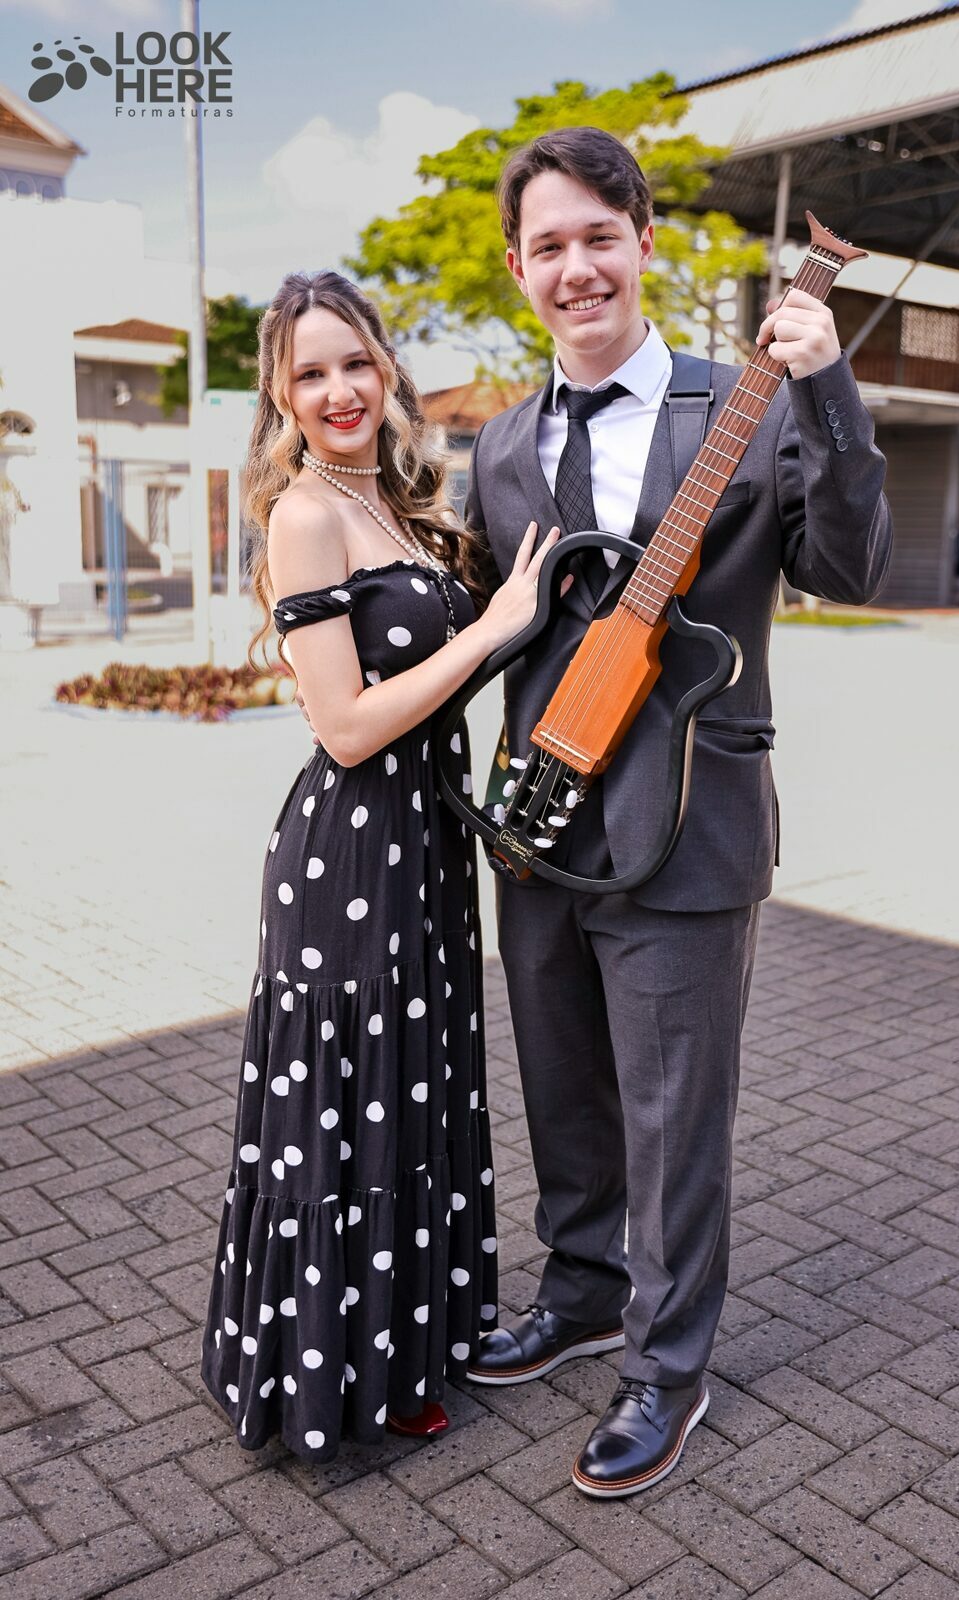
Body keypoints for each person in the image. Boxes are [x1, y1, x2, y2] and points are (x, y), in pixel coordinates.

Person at [463, 128, 893, 1497]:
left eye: (599, 236)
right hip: (540, 824)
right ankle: (583, 1289)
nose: (576, 268)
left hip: (689, 819)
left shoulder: (749, 402)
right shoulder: (500, 444)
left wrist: (829, 391)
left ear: (643, 244)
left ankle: (666, 1364)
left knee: (671, 1112)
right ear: (518, 268)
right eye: (547, 246)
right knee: (562, 1088)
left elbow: (849, 566)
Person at [200, 270, 559, 1461]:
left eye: (354, 361)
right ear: (280, 394)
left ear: (387, 366)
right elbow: (345, 726)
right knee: (348, 1111)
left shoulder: (394, 502)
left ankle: (404, 1348)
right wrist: (490, 628)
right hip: (349, 850)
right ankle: (328, 1379)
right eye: (309, 373)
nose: (339, 389)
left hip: (424, 847)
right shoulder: (305, 514)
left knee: (415, 1093)